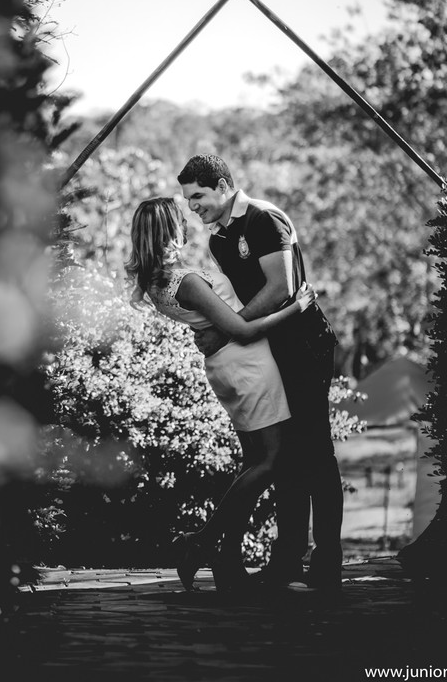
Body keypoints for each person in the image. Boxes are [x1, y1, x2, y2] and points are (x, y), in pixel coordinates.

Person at [126, 197, 317, 593]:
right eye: (180, 219)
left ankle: (227, 560)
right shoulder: (186, 281)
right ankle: (201, 542)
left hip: (225, 366)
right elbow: (242, 330)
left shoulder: (157, 283)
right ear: (170, 231)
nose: (187, 223)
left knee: (254, 462)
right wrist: (297, 307)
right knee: (271, 461)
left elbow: (219, 323)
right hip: (246, 365)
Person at [178, 154, 343, 593]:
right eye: (188, 200)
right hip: (269, 350)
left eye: (198, 196)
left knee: (316, 452)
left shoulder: (264, 218)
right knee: (285, 456)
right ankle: (287, 560)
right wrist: (230, 330)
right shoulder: (218, 239)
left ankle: (328, 562)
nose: (193, 207)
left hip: (305, 345)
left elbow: (281, 289)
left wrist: (228, 331)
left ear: (223, 185)